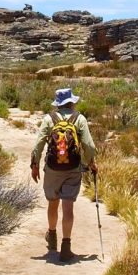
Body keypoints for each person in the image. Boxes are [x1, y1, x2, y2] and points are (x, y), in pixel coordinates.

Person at [31, 88, 97, 262]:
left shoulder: (49, 119)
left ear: (57, 103)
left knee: (53, 203)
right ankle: (66, 248)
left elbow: (38, 143)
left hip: (52, 169)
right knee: (68, 207)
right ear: (71, 102)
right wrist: (91, 162)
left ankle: (52, 237)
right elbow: (89, 146)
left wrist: (35, 164)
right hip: (73, 168)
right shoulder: (79, 119)